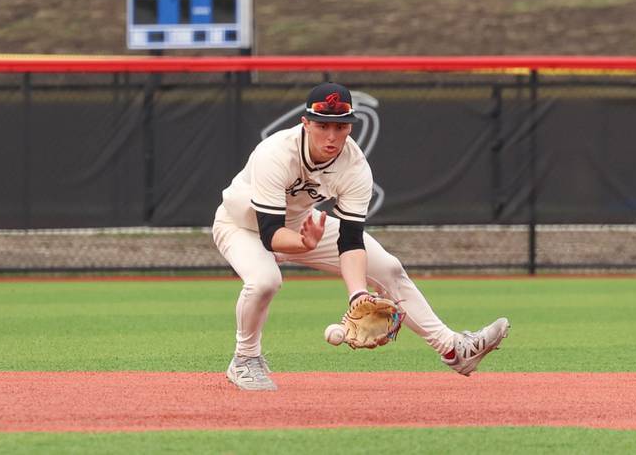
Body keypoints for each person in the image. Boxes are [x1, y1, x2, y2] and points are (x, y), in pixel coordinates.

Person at [212, 82, 510, 391]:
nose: (331, 135)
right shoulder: (275, 153)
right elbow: (271, 233)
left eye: (340, 126)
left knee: (388, 268)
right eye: (322, 125)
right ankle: (245, 359)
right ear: (306, 123)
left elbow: (351, 240)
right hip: (242, 226)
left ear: (351, 127)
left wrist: (357, 295)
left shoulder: (354, 166)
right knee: (265, 280)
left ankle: (454, 349)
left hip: (304, 225)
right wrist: (303, 243)